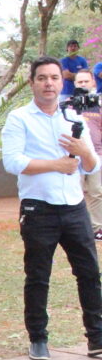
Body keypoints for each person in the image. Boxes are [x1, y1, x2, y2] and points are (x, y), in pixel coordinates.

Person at [2, 56, 102, 360]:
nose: (49, 83)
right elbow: (13, 162)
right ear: (32, 82)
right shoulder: (19, 119)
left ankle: (97, 338)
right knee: (38, 276)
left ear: (62, 82)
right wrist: (55, 165)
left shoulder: (73, 118)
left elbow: (91, 165)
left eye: (54, 78)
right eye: (42, 78)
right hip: (38, 209)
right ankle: (39, 339)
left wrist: (84, 152)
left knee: (89, 273)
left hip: (74, 208)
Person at [73, 70, 102, 239]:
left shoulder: (98, 106)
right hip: (75, 156)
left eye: (86, 81)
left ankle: (97, 228)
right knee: (76, 190)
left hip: (97, 154)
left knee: (97, 191)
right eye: (79, 82)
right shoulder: (69, 105)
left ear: (93, 83)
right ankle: (77, 227)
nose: (83, 84)